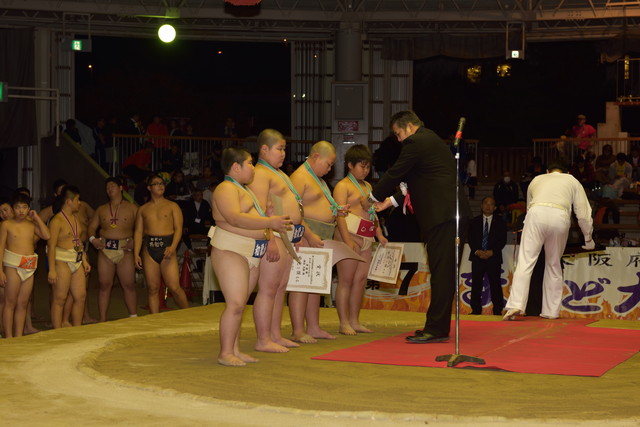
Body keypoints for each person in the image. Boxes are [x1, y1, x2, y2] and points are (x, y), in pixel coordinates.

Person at [371, 110, 472, 343]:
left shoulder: (417, 141)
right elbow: (410, 184)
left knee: (442, 275)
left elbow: (396, 173)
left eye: (398, 134)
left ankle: (436, 329)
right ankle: (436, 326)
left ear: (408, 127)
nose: (399, 140)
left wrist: (372, 197)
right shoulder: (428, 141)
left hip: (445, 217)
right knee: (441, 273)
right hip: (444, 217)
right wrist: (388, 202)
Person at [210, 147, 291, 366]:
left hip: (253, 251)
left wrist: (268, 216)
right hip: (231, 250)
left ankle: (234, 350)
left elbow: (252, 218)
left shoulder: (245, 190)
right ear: (236, 167)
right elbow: (234, 218)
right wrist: (269, 222)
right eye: (250, 163)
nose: (253, 168)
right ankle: (225, 352)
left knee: (240, 305)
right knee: (236, 304)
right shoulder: (225, 188)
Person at [503, 161, 594, 321]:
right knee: (553, 264)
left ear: (547, 171)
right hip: (559, 216)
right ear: (567, 173)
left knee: (525, 262)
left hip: (536, 214)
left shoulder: (537, 179)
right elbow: (582, 212)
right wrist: (588, 238)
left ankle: (515, 305)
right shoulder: (572, 180)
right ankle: (551, 311)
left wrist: (529, 224)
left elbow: (529, 207)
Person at [246, 129, 306, 353]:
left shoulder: (278, 173)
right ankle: (263, 339)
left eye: (284, 149)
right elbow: (260, 209)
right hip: (273, 234)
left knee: (280, 288)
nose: (283, 153)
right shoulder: (261, 174)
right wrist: (269, 238)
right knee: (268, 288)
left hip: (287, 234)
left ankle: (275, 335)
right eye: (279, 149)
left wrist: (296, 235)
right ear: (264, 149)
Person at [290, 140, 346, 343]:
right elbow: (292, 211)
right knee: (302, 283)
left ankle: (313, 327)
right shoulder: (299, 177)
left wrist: (336, 211)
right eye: (328, 164)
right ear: (315, 157)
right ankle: (298, 330)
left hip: (322, 235)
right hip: (306, 234)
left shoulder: (319, 180)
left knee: (315, 284)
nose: (330, 169)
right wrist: (308, 234)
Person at [333, 144, 388, 335]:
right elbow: (339, 215)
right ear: (350, 165)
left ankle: (355, 321)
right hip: (348, 236)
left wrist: (379, 234)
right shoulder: (342, 186)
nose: (365, 171)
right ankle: (344, 322)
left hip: (366, 237)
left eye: (367, 167)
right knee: (346, 280)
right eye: (361, 166)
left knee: (360, 280)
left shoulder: (368, 186)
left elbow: (372, 213)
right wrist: (347, 240)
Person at [133, 174, 190, 314]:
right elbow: (138, 232)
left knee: (174, 287)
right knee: (152, 288)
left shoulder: (173, 206)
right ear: (149, 188)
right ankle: (155, 319)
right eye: (156, 183)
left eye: (162, 183)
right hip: (149, 248)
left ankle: (188, 314)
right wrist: (136, 253)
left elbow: (178, 229)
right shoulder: (142, 209)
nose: (160, 186)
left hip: (167, 247)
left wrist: (173, 247)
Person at [88, 177, 138, 322]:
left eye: (113, 186)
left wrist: (135, 242)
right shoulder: (101, 209)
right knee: (104, 285)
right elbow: (91, 227)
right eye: (107, 187)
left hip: (125, 249)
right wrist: (93, 239)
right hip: (105, 249)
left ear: (121, 188)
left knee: (129, 285)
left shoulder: (132, 208)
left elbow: (142, 228)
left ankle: (133, 317)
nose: (109, 189)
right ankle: (103, 319)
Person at [0, 193, 49, 337]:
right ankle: (9, 337)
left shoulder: (31, 224)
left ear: (29, 209)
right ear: (13, 209)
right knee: (10, 303)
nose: (21, 210)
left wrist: (37, 218)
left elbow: (47, 235)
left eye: (24, 207)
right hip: (12, 266)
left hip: (29, 267)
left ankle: (19, 336)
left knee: (23, 304)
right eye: (17, 207)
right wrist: (0, 271)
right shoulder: (6, 225)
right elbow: (1, 248)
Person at [47, 186, 91, 328]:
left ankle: (77, 329)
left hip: (76, 259)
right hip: (61, 261)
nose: (79, 203)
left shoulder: (75, 218)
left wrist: (84, 260)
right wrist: (52, 269)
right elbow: (51, 246)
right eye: (77, 200)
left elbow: (77, 242)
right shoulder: (56, 221)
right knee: (60, 298)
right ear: (68, 201)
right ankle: (58, 331)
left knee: (81, 296)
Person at [467, 196, 507, 315]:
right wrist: (477, 251)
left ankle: (497, 310)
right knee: (476, 284)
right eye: (486, 203)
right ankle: (475, 310)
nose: (488, 206)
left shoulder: (500, 222)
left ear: (495, 208)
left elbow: (502, 240)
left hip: (493, 258)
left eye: (491, 204)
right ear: (481, 206)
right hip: (477, 257)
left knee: (495, 284)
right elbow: (470, 238)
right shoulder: (474, 221)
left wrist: (492, 251)